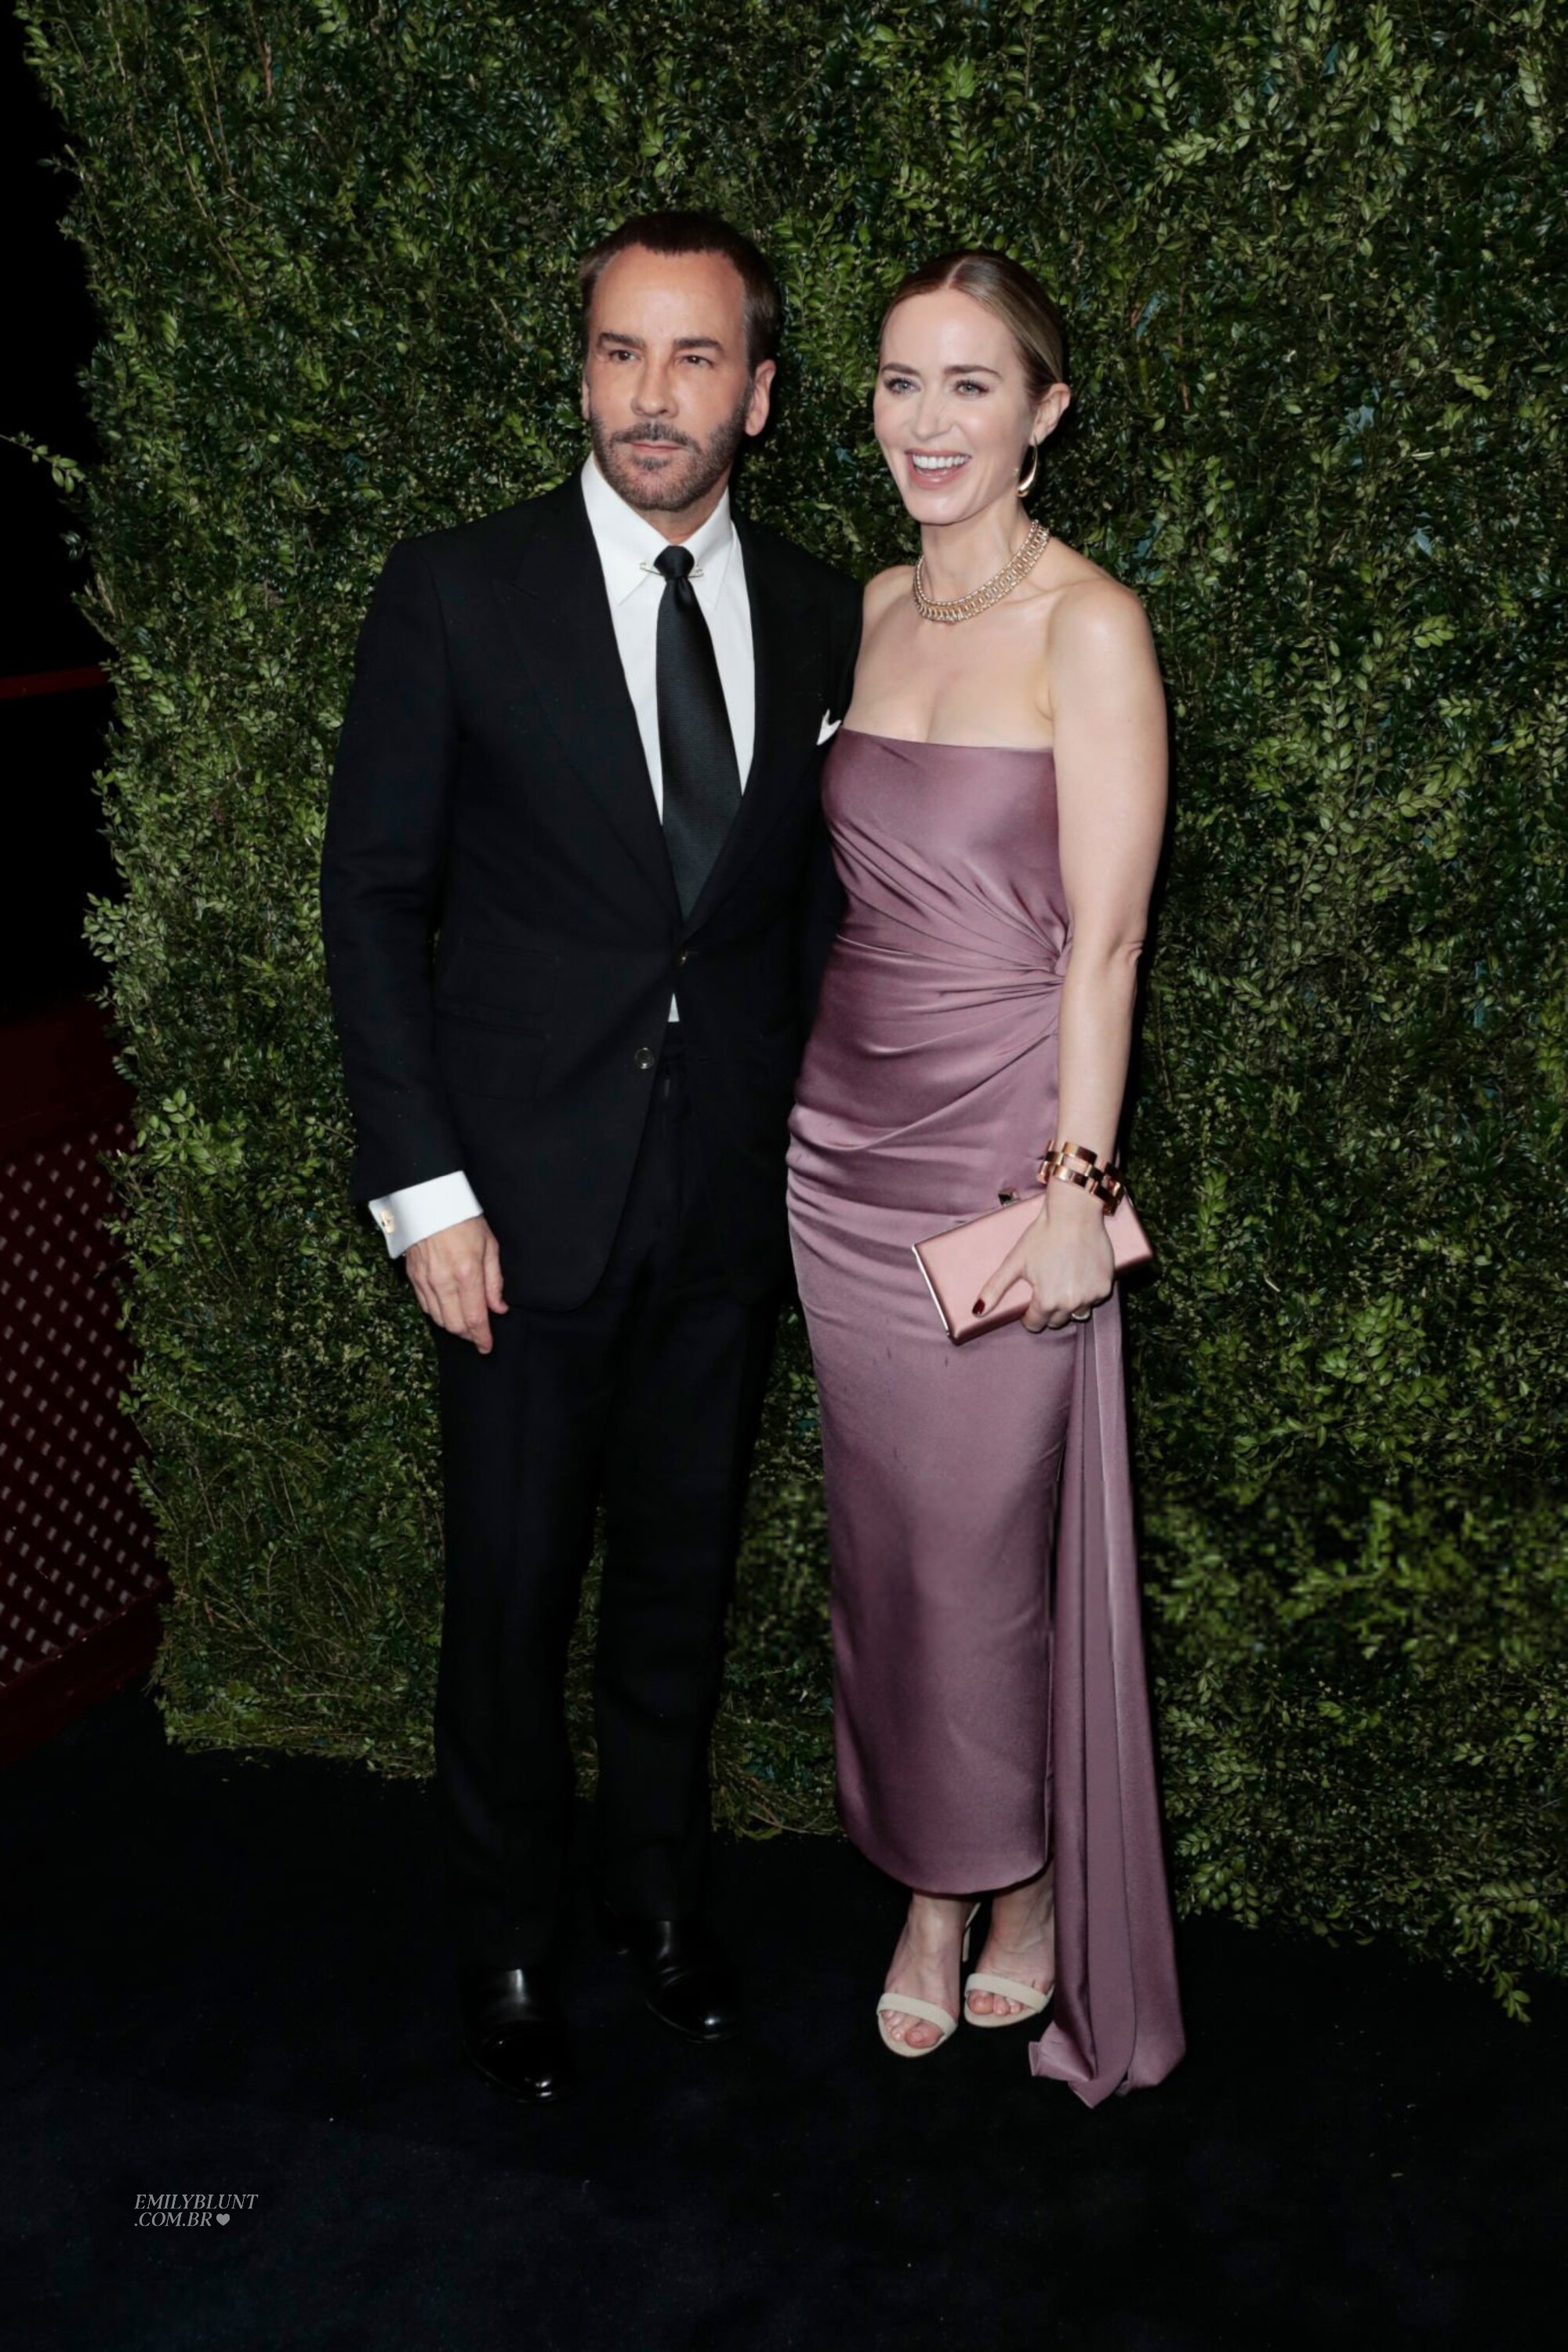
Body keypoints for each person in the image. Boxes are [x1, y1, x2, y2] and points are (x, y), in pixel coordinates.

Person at [320, 210, 861, 2103]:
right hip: (510, 1215)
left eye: (694, 356)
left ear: (758, 394)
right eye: (621, 351)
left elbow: (807, 921)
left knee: (677, 1590)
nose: (650, 393)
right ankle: (509, 1940)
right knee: (510, 1600)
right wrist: (427, 1195)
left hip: (726, 1207)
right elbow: (373, 903)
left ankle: (658, 1900)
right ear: (582, 371)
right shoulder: (458, 592)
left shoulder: (826, 613)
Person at [786, 251, 1185, 2100]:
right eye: (898, 382)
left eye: (969, 384)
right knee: (886, 1552)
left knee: (974, 1559)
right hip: (837, 1154)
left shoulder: (1088, 627)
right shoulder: (873, 609)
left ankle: (985, 1891)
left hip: (1002, 1156)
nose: (926, 421)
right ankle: (952, 1876)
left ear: (1043, 413)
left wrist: (1073, 1190)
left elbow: (1107, 943)